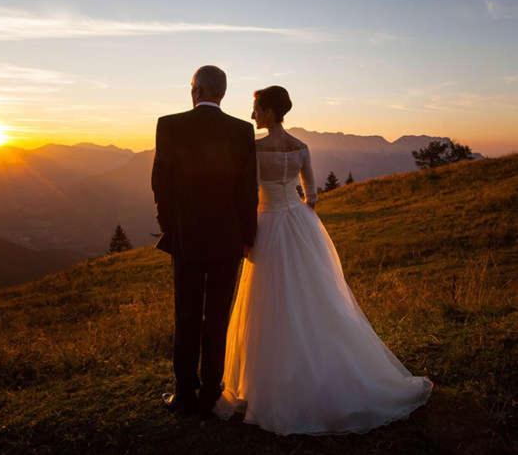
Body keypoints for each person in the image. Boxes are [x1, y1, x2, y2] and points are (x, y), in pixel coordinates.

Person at [213, 85, 433, 435]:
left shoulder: (255, 149)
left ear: (269, 111)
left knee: (266, 300)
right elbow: (311, 194)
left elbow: (244, 194)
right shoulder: (301, 148)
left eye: (256, 109)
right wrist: (297, 214)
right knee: (312, 297)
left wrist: (252, 225)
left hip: (266, 223)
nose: (252, 115)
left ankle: (266, 382)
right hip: (300, 224)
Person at [151, 65, 258, 417]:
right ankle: (212, 390)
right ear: (222, 93)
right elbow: (247, 190)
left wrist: (170, 228)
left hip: (186, 238)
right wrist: (248, 236)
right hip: (228, 238)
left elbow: (160, 185)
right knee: (217, 316)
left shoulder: (169, 125)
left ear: (195, 91)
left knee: (187, 313)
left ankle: (185, 393)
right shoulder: (242, 130)